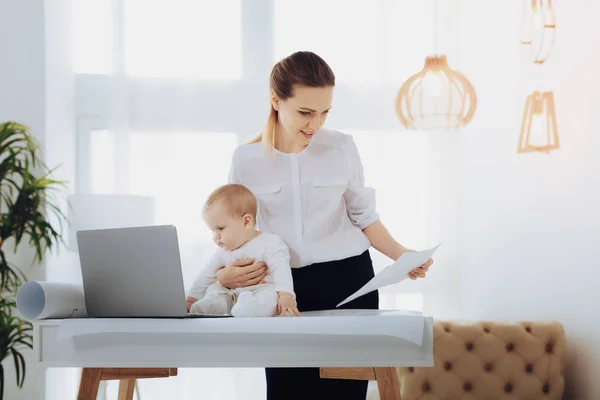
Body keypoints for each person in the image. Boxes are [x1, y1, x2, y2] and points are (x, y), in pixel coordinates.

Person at [216, 51, 433, 399]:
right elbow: (234, 235)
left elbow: (364, 217)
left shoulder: (342, 148)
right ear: (276, 100)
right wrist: (224, 277)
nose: (315, 124)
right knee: (287, 392)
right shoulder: (245, 160)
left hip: (349, 283)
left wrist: (403, 255)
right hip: (284, 290)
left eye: (324, 112)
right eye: (305, 112)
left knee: (345, 393)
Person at [185, 184, 299, 318]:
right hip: (230, 295)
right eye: (212, 231)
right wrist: (191, 299)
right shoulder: (223, 251)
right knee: (215, 288)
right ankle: (213, 306)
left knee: (270, 296)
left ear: (246, 222)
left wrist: (285, 294)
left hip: (260, 290)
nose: (216, 236)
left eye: (220, 229)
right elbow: (205, 275)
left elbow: (281, 269)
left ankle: (249, 309)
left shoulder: (270, 242)